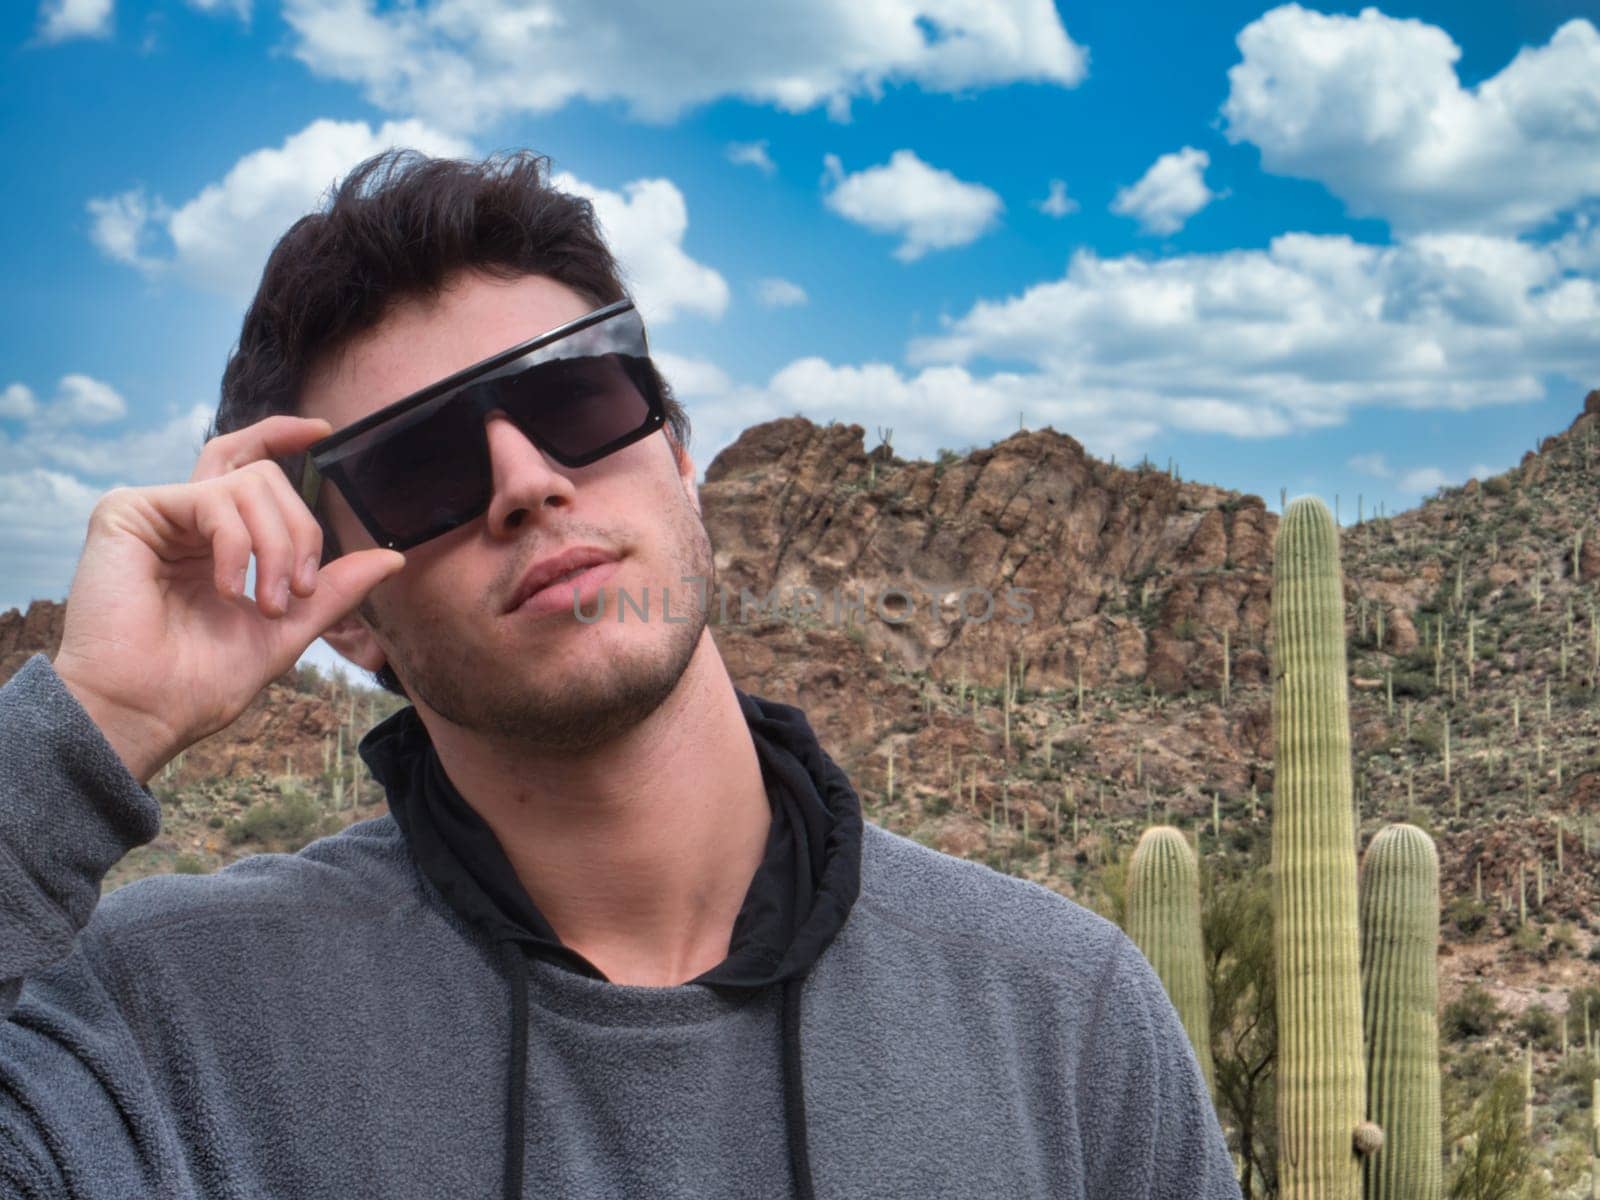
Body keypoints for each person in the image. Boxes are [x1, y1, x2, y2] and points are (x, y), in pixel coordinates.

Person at [0, 149, 1242, 1199]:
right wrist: (89, 725)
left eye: (577, 399)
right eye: (425, 467)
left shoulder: (1061, 1016)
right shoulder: (162, 1034)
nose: (527, 482)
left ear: (678, 453)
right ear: (348, 614)